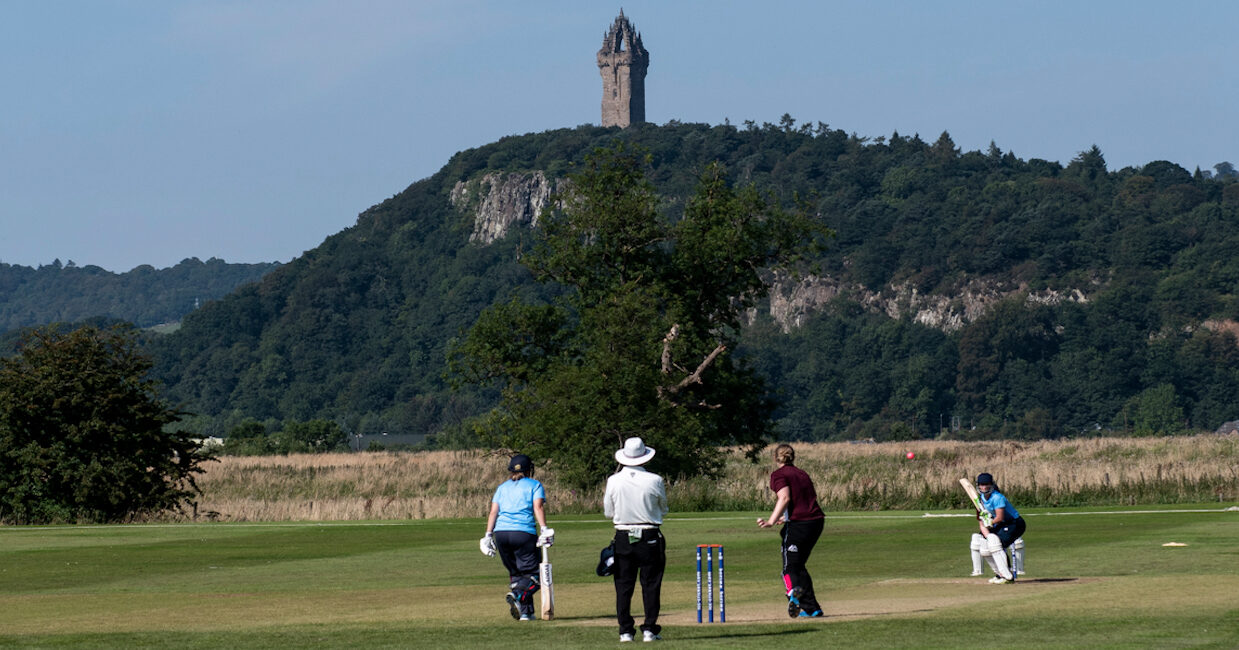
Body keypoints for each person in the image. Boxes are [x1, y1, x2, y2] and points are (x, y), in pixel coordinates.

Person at [604, 437, 669, 643]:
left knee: (623, 585)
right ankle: (649, 629)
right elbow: (664, 509)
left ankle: (625, 631)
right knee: (650, 584)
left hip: (623, 535)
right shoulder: (655, 479)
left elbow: (608, 512)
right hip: (649, 534)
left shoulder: (614, 480)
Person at [479, 454, 554, 621]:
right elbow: (538, 507)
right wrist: (544, 529)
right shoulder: (534, 485)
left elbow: (493, 512)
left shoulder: (502, 487)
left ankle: (526, 613)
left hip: (501, 534)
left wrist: (488, 535)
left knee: (517, 574)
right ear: (529, 470)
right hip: (523, 532)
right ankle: (518, 595)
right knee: (536, 575)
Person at [757, 443, 825, 618]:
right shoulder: (802, 473)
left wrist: (771, 521)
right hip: (816, 522)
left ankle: (792, 594)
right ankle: (812, 609)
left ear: (775, 458)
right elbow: (802, 500)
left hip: (800, 524)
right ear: (792, 457)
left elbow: (785, 497)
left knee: (788, 568)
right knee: (798, 566)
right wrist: (785, 518)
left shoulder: (779, 474)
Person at [972, 472, 1025, 584]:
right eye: (982, 484)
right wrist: (987, 535)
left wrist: (989, 523)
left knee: (996, 544)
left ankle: (1008, 576)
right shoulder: (979, 500)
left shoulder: (997, 497)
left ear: (992, 484)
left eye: (987, 484)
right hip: (999, 524)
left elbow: (1000, 517)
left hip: (1014, 524)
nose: (984, 487)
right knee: (984, 546)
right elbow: (981, 522)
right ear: (978, 485)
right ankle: (1000, 574)